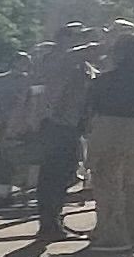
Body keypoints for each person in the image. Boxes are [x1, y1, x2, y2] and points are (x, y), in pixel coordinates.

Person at [82, 23, 134, 250]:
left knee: (108, 183)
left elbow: (92, 106)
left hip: (110, 128)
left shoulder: (103, 81)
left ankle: (113, 235)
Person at [27, 21, 95, 244]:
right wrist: (103, 42)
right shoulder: (58, 58)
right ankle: (48, 224)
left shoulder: (80, 64)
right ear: (64, 39)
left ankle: (53, 220)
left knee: (66, 173)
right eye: (77, 37)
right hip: (56, 124)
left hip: (71, 125)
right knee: (53, 176)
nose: (82, 40)